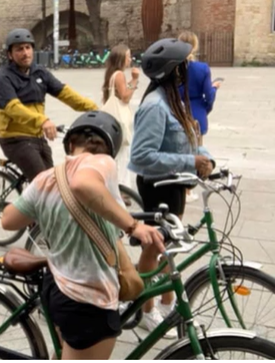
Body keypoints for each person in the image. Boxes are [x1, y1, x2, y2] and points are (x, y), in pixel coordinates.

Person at [1, 111, 164, 360]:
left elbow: (8, 220)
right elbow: (82, 185)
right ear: (109, 149)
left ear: (69, 144)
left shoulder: (45, 179)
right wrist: (134, 226)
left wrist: (43, 205)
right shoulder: (103, 162)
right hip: (87, 302)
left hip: (57, 288)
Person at [129, 38, 216, 338]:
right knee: (153, 248)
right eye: (184, 64)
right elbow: (141, 156)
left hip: (174, 184)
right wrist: (190, 160)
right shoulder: (155, 106)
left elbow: (188, 142)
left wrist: (206, 159)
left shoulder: (172, 100)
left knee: (168, 247)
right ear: (173, 71)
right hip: (158, 187)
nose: (188, 68)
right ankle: (146, 309)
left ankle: (167, 302)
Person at [0, 28, 98, 182]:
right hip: (15, 139)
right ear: (10, 54)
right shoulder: (4, 77)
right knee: (44, 184)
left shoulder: (39, 72)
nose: (25, 53)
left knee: (55, 182)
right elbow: (13, 108)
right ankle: (22, 207)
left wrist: (94, 109)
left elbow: (64, 92)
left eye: (28, 48)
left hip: (37, 136)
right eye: (19, 49)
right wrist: (43, 121)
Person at [177, 31, 221, 203]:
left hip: (178, 109)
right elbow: (208, 95)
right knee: (195, 150)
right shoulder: (202, 68)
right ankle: (188, 188)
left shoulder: (174, 66)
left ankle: (180, 185)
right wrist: (208, 103)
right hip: (196, 110)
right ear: (195, 46)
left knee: (178, 149)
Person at [101, 44, 139, 194]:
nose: (130, 59)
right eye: (128, 56)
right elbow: (125, 96)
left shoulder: (113, 74)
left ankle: (116, 188)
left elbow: (120, 91)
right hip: (120, 120)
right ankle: (121, 191)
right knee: (123, 155)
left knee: (118, 154)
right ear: (122, 58)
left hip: (113, 118)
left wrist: (130, 82)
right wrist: (135, 80)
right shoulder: (119, 75)